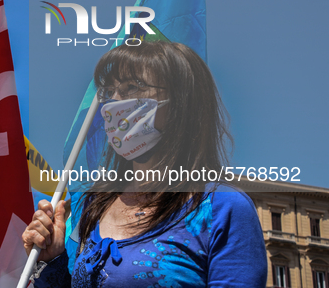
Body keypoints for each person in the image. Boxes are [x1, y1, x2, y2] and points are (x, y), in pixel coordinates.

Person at [22, 41, 268, 287]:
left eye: (132, 87)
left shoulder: (223, 208)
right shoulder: (92, 204)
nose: (113, 103)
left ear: (181, 103)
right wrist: (50, 261)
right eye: (110, 92)